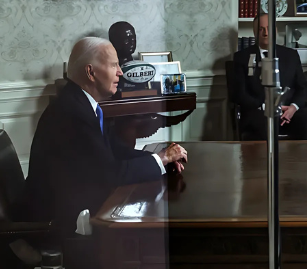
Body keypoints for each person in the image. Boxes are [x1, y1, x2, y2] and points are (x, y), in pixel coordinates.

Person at [21, 37, 188, 240]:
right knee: (147, 234)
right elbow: (110, 174)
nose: (121, 72)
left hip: (74, 208)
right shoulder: (73, 112)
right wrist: (160, 159)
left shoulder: (81, 103)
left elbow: (118, 151)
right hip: (59, 224)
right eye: (113, 65)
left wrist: (162, 162)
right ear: (90, 72)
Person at [233, 13, 307, 140]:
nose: (265, 33)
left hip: (288, 110)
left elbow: (303, 87)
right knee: (264, 128)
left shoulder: (291, 55)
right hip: (258, 112)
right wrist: (266, 106)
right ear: (254, 32)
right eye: (261, 29)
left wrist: (293, 107)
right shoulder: (242, 57)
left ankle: (306, 160)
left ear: (275, 30)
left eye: (269, 28)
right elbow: (239, 94)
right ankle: (266, 160)